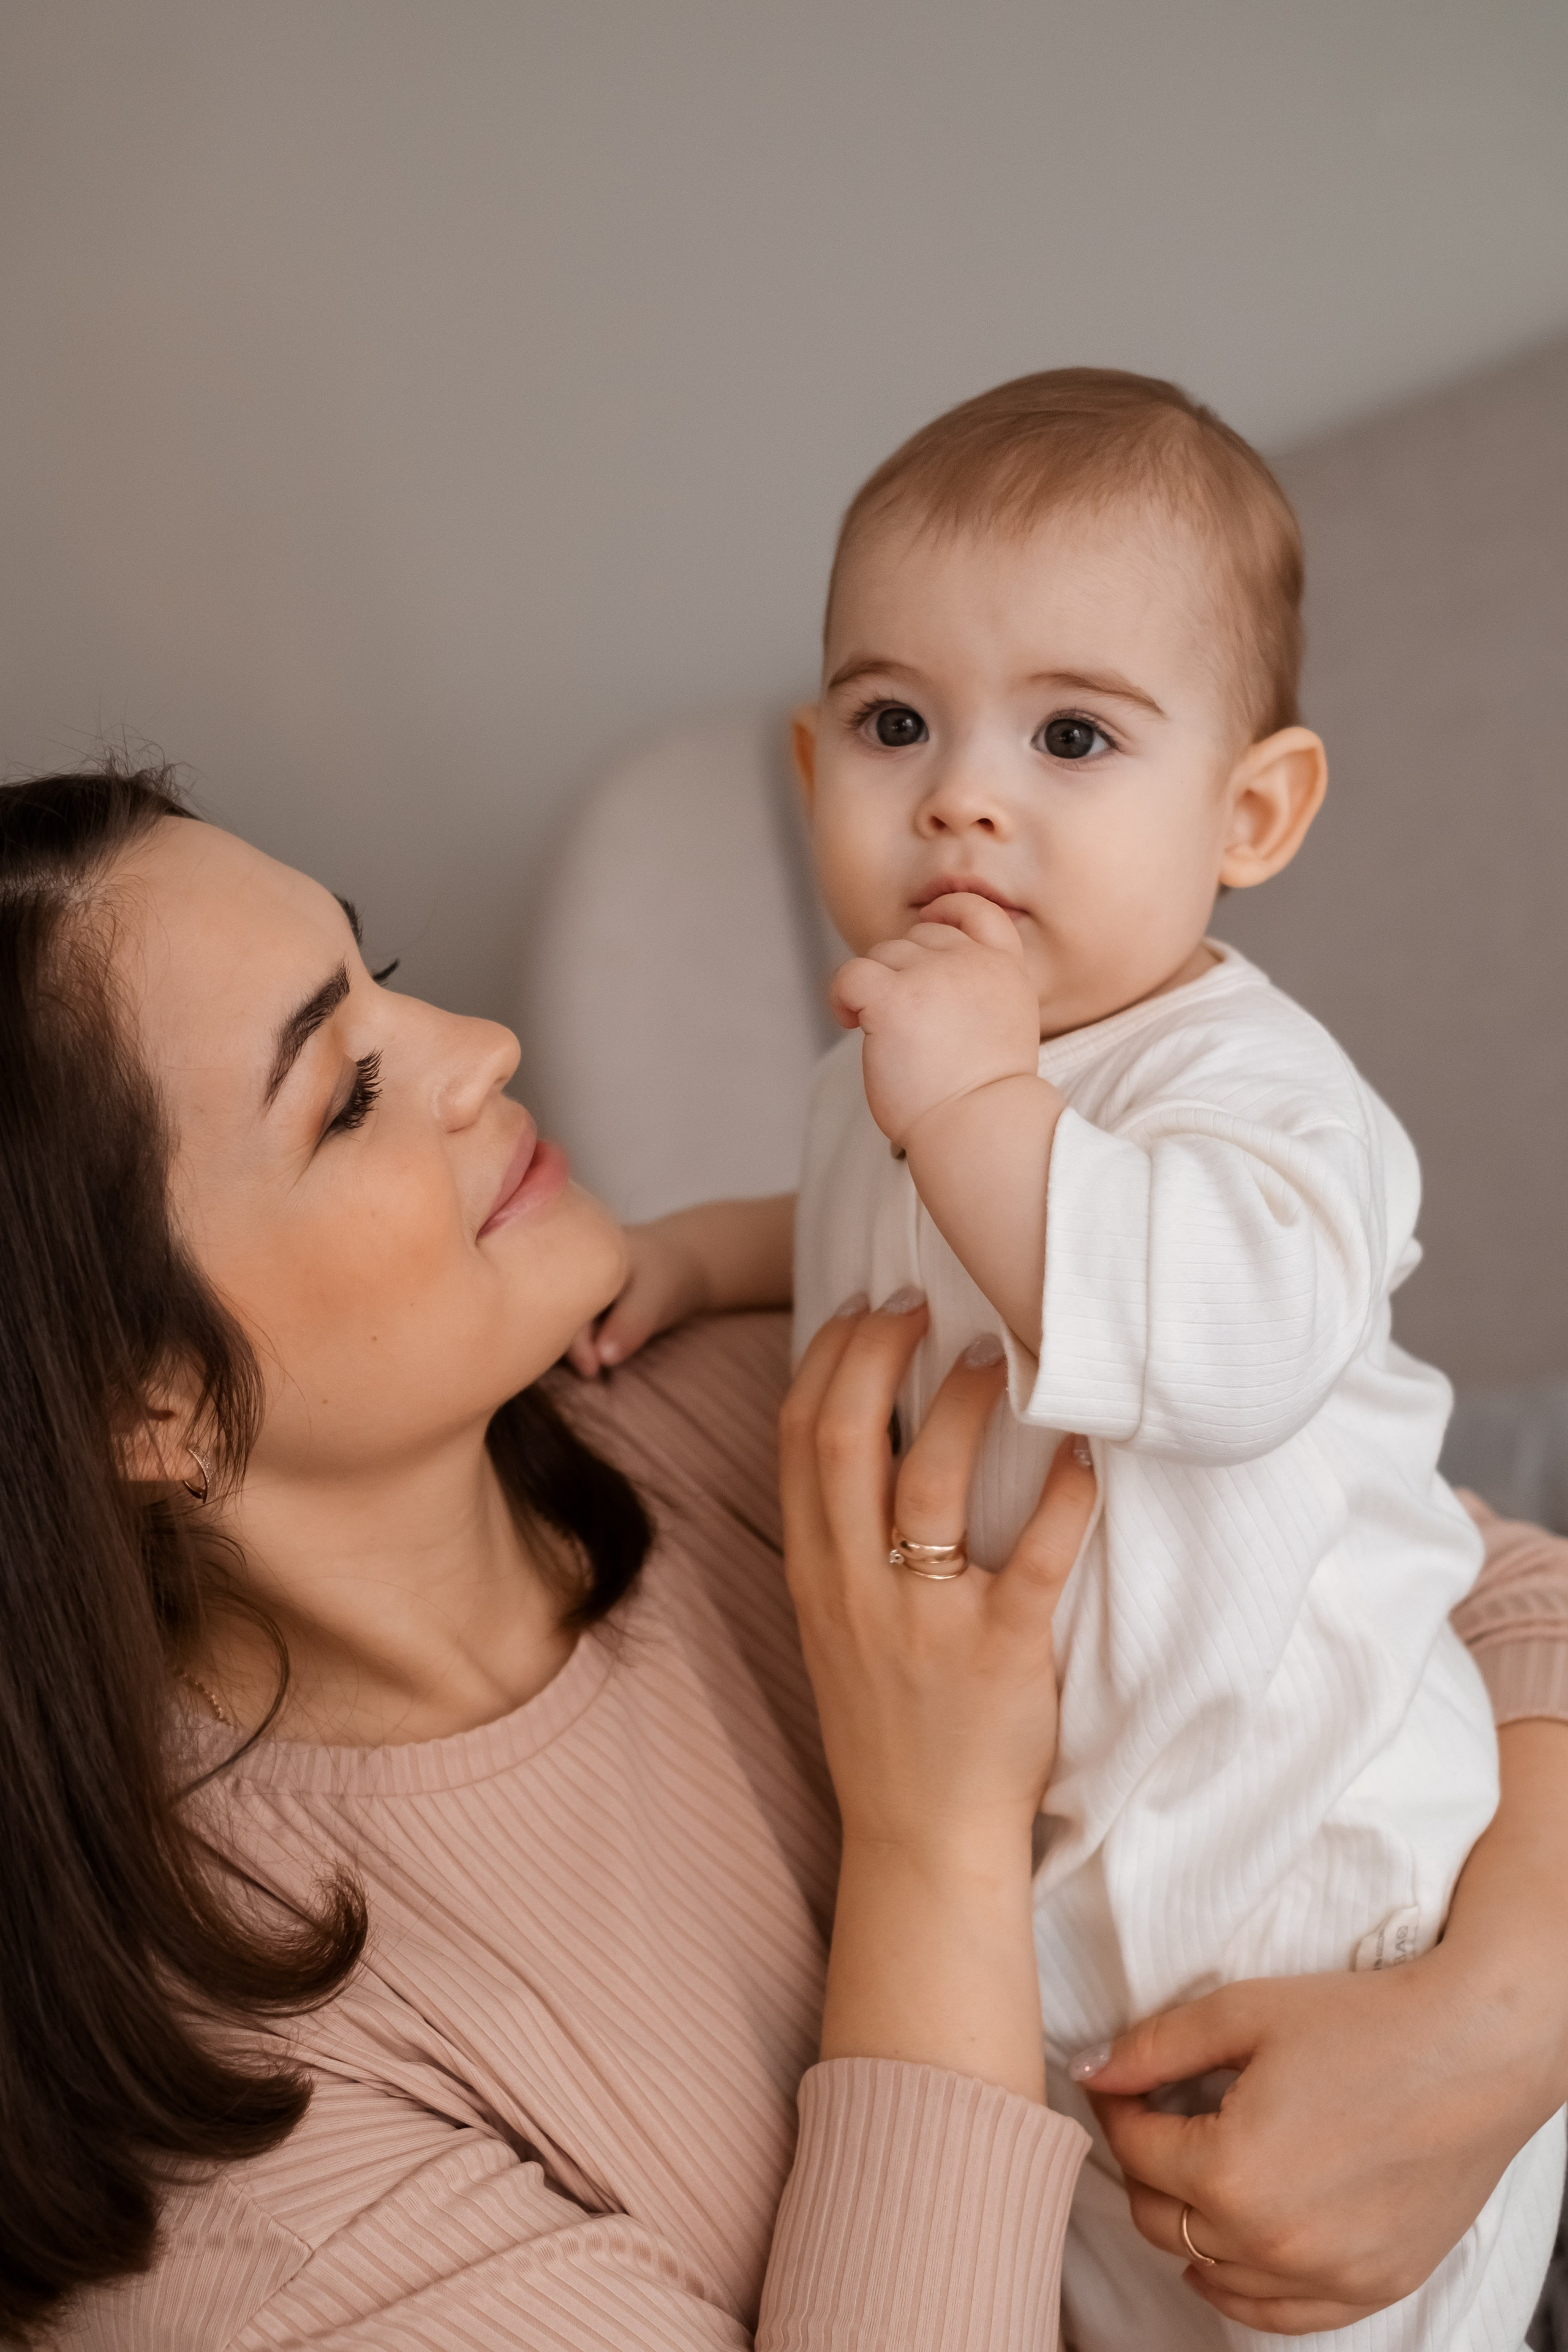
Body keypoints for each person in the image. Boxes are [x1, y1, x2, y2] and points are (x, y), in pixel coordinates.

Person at [2, 768, 1567, 2351]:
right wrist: (929, 1837)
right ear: (151, 1401)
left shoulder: (760, 1394)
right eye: (343, 1091)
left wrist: (1499, 2021)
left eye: (382, 982)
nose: (485, 1049)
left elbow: (1470, 1584)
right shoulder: (245, 2219)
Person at [569, 369, 1562, 2345]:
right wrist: (701, 1252)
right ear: (810, 771)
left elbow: (1233, 1340)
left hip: (1324, 1869)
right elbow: (874, 1241)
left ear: (1251, 812)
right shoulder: (904, 1077)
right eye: (893, 723)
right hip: (1066, 1882)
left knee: (1327, 2296)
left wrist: (981, 1109)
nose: (962, 792)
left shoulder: (1254, 1089)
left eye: (1074, 733)